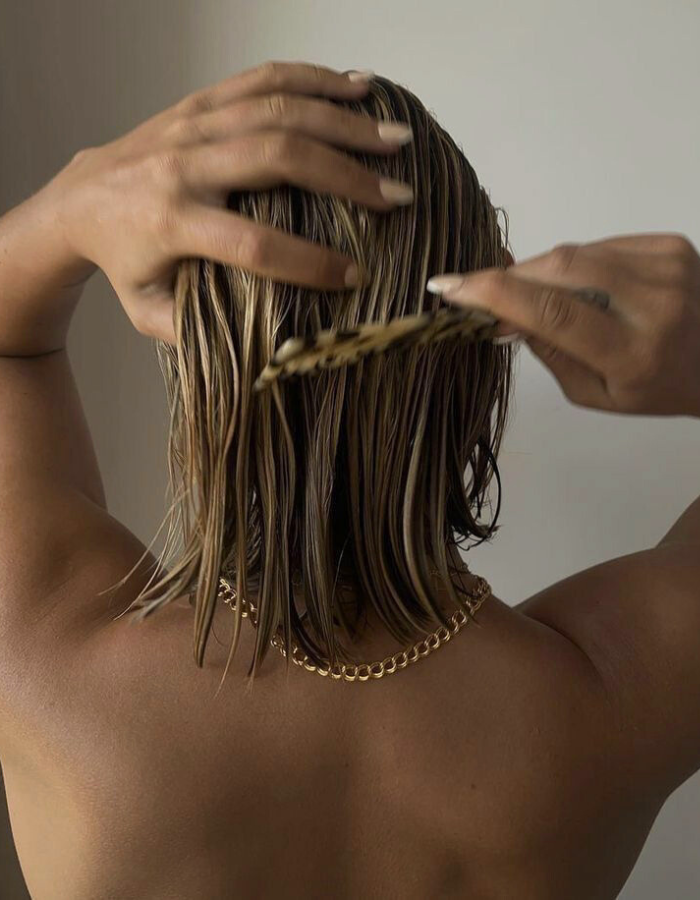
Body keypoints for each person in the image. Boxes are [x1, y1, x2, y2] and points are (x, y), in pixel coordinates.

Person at [0, 60, 697, 900]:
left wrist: (70, 208)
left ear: (197, 349)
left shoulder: (43, 651)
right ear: (491, 338)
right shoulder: (617, 693)